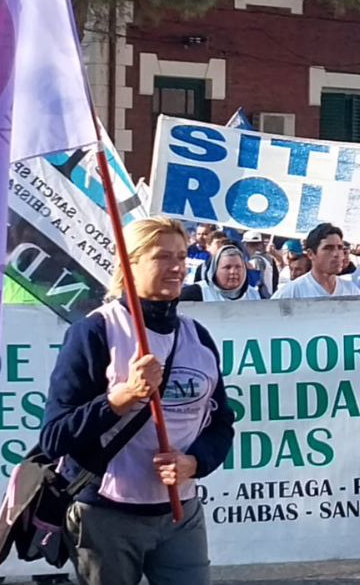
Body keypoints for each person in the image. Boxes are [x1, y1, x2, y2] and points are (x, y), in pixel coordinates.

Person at [40, 216, 234, 585]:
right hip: (105, 516)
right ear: (130, 263)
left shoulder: (198, 337)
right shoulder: (96, 331)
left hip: (181, 514)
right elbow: (54, 437)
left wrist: (194, 462)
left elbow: (221, 423)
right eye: (162, 257)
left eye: (182, 256)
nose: (177, 267)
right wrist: (122, 396)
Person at [273, 223, 360, 299]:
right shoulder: (291, 293)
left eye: (340, 248)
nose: (336, 254)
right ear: (311, 254)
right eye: (328, 248)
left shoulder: (352, 291)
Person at [179, 244, 262, 303]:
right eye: (227, 267)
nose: (233, 272)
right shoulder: (194, 293)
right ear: (215, 270)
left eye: (238, 267)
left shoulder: (253, 294)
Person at [242, 231, 279, 298]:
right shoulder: (268, 257)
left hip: (263, 298)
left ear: (246, 244)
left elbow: (257, 283)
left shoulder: (255, 261)